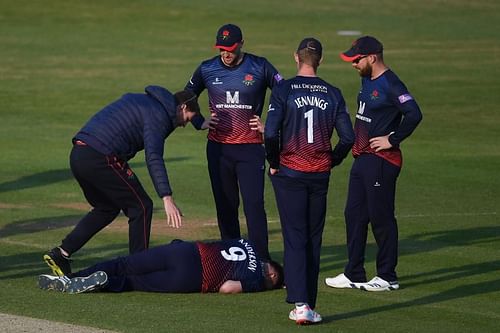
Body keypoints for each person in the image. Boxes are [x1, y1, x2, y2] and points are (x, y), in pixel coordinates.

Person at [43, 86, 201, 277]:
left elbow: (188, 99)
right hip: (101, 157)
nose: (184, 125)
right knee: (141, 207)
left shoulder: (148, 101)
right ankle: (139, 267)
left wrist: (201, 122)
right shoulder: (158, 115)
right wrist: (166, 197)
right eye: (187, 119)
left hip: (79, 154)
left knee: (106, 208)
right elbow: (154, 157)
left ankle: (62, 253)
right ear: (182, 108)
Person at [264, 38, 355, 325]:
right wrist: (333, 159)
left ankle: (301, 304)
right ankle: (309, 305)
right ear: (321, 60)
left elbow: (269, 134)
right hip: (319, 174)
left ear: (296, 57)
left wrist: (274, 163)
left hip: (290, 172)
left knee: (294, 237)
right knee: (313, 239)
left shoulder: (283, 89)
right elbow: (349, 138)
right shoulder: (333, 93)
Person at [325, 36, 423, 292]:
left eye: (357, 59)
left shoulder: (391, 84)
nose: (354, 64)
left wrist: (393, 138)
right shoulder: (366, 79)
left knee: (381, 218)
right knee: (354, 216)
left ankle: (387, 276)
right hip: (362, 158)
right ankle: (354, 272)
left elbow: (414, 113)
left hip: (382, 160)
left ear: (372, 57)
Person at [184, 23, 283, 260]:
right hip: (219, 150)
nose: (226, 54)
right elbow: (186, 97)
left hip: (250, 149)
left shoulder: (260, 66)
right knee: (226, 207)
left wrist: (269, 125)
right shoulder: (207, 69)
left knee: (254, 207)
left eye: (230, 48)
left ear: (241, 44)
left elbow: (285, 93)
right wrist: (199, 121)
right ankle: (234, 258)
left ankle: (261, 261)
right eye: (221, 49)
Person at [38, 238, 284, 295]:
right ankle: (102, 283)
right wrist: (257, 286)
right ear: (271, 273)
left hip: (184, 251)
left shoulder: (244, 242)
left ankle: (73, 278)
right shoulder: (256, 279)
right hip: (193, 278)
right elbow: (227, 288)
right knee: (134, 282)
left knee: (123, 263)